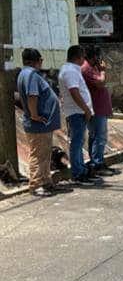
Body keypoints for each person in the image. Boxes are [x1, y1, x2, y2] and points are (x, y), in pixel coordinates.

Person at [17, 49, 63, 196]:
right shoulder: (30, 75)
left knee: (44, 154)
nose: (41, 63)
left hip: (42, 124)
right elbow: (32, 96)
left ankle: (46, 181)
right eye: (41, 60)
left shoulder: (26, 74)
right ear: (35, 60)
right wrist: (35, 115)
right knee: (38, 155)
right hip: (38, 124)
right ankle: (36, 185)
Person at [59, 45, 99, 186]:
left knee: (79, 142)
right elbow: (74, 92)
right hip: (77, 112)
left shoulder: (72, 70)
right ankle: (78, 174)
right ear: (78, 57)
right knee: (76, 143)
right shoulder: (70, 71)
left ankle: (81, 170)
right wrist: (86, 109)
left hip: (79, 111)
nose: (84, 60)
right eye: (83, 57)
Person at [82, 46, 116, 175]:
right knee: (99, 136)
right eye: (98, 57)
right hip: (96, 108)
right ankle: (97, 164)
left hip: (99, 107)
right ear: (94, 56)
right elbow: (100, 82)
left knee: (96, 136)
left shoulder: (93, 68)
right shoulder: (87, 69)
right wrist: (103, 71)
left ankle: (96, 162)